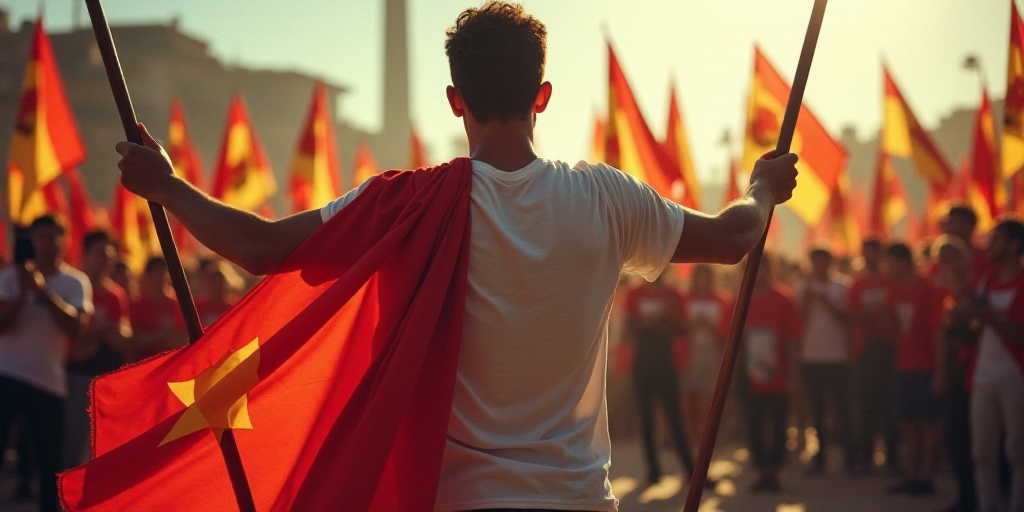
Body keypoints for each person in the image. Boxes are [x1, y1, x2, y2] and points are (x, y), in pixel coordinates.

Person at [111, 2, 799, 508]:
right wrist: (761, 189)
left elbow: (260, 248)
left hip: (456, 500)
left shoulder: (404, 205)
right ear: (544, 97)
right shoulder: (607, 199)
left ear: (453, 100)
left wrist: (168, 186)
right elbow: (735, 237)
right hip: (578, 498)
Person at [0, 215, 92, 512]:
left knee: (50, 461)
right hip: (7, 376)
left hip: (48, 383)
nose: (46, 243)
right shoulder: (9, 279)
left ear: (65, 241)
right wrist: (22, 293)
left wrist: (43, 292)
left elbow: (76, 328)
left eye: (52, 237)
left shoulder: (74, 282)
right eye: (40, 237)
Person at [965, 219, 1024, 512]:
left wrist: (985, 316)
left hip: (1015, 375)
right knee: (982, 452)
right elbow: (976, 324)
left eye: (998, 240)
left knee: (1017, 450)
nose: (991, 246)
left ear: (1014, 245)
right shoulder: (986, 280)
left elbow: (1018, 335)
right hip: (983, 375)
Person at [64, 230, 133, 469]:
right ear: (84, 255)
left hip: (108, 378)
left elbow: (123, 339)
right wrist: (104, 331)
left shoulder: (116, 295)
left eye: (109, 255)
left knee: (104, 449)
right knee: (73, 444)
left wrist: (99, 333)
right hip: (77, 376)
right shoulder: (73, 287)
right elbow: (75, 343)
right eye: (99, 254)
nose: (105, 260)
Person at [738, 254, 803, 492]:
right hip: (748, 376)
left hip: (778, 375)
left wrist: (793, 375)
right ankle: (761, 471)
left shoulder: (784, 299)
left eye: (764, 268)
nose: (760, 273)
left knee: (778, 425)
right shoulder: (740, 299)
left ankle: (773, 471)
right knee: (754, 425)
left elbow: (792, 340)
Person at [624, 273, 695, 485]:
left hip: (666, 365)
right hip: (642, 365)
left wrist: (658, 323)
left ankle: (691, 470)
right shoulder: (634, 293)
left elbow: (683, 328)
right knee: (646, 421)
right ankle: (653, 471)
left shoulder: (674, 294)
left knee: (675, 418)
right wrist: (658, 319)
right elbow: (629, 329)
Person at [885, 243, 944, 496]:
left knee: (928, 424)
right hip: (903, 366)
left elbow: (937, 332)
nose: (887, 268)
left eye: (891, 262)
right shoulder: (894, 291)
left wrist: (939, 372)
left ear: (903, 262)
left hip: (926, 366)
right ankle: (912, 475)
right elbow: (895, 329)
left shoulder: (928, 289)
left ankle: (927, 477)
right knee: (908, 424)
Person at [795, 247, 853, 474]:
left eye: (822, 262)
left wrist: (826, 301)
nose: (818, 266)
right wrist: (809, 300)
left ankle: (850, 455)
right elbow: (799, 322)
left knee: (841, 407)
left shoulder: (842, 286)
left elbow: (846, 319)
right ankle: (819, 456)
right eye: (814, 262)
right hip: (811, 356)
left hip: (836, 356)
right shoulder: (802, 287)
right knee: (816, 409)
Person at [934, 235, 978, 512]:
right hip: (953, 373)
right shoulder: (946, 296)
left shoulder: (976, 291)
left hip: (974, 373)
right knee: (958, 438)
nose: (947, 265)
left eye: (953, 258)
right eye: (943, 260)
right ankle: (966, 496)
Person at [848, 238, 900, 474]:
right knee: (865, 406)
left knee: (890, 405)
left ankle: (892, 457)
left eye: (874, 253)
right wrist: (869, 314)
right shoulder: (857, 284)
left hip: (890, 349)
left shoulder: (893, 282)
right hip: (865, 350)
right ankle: (866, 457)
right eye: (866, 253)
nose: (870, 258)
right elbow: (851, 318)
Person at [680, 264, 731, 452]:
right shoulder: (684, 299)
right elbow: (677, 329)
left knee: (705, 402)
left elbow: (727, 334)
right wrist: (691, 326)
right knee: (686, 402)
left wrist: (709, 326)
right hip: (687, 356)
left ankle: (700, 443)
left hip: (710, 356)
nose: (703, 282)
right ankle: (687, 442)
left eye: (706, 277)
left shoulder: (722, 300)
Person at [130, 257, 186, 361]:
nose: (161, 278)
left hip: (172, 361)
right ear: (148, 276)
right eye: (157, 274)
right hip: (145, 361)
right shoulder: (138, 304)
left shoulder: (178, 303)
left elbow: (183, 337)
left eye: (163, 273)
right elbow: (134, 340)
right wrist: (161, 336)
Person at [194, 259, 242, 328]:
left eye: (220, 280)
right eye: (213, 280)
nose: (217, 285)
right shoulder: (197, 306)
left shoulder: (236, 306)